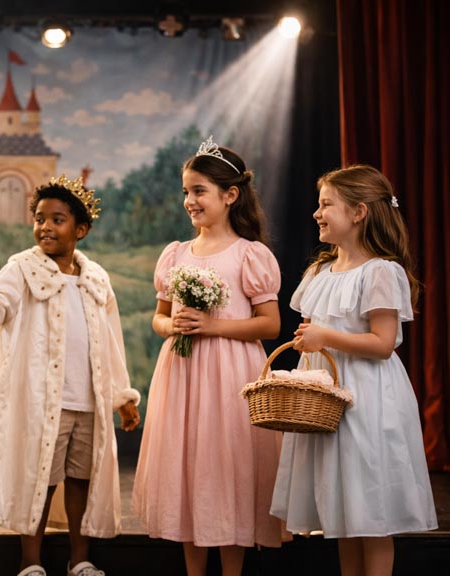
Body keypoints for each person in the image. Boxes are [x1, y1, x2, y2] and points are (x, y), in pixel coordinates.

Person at [0, 175, 141, 576]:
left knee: (81, 479)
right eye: (39, 218)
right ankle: (30, 561)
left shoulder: (97, 280)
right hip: (46, 402)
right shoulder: (22, 268)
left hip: (89, 402)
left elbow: (111, 341)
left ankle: (80, 559)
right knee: (40, 480)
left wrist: (122, 396)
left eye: (57, 220)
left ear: (80, 230)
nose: (45, 226)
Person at [270, 164, 438, 576]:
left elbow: (382, 343)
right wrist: (308, 342)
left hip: (367, 400)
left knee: (371, 510)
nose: (317, 213)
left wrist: (325, 336)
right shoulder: (319, 272)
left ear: (359, 212)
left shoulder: (380, 271)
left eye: (327, 204)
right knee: (344, 513)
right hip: (327, 401)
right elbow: (314, 333)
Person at [132, 136, 288, 576]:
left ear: (230, 195)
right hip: (183, 373)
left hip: (230, 376)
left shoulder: (249, 255)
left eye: (199, 191)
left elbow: (270, 325)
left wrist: (211, 326)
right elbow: (159, 318)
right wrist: (173, 326)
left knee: (226, 467)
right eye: (186, 191)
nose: (189, 201)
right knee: (187, 468)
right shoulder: (176, 254)